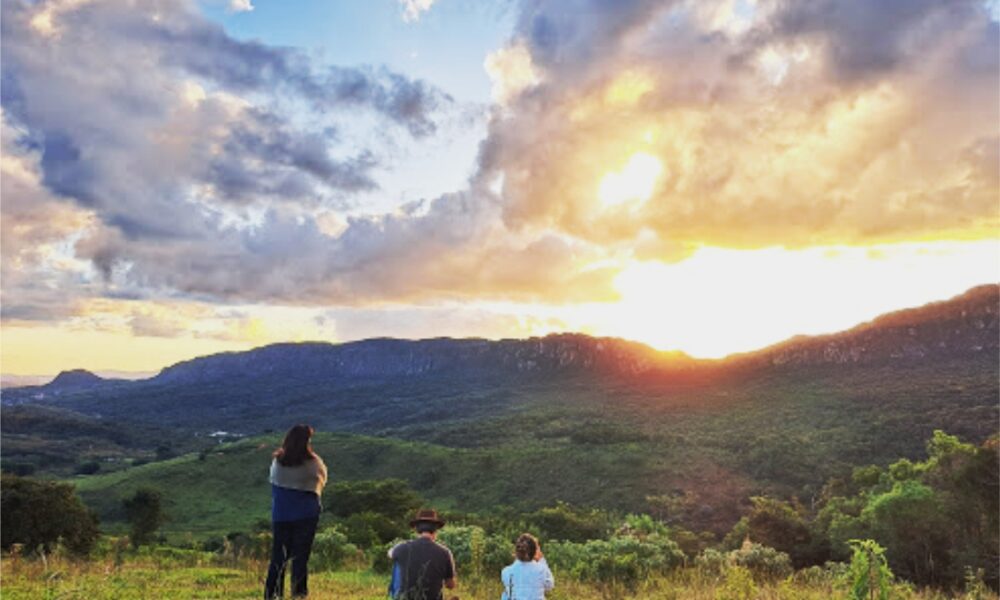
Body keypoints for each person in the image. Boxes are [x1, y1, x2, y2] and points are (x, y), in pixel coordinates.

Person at [264, 424, 328, 599]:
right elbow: (322, 478)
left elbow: (274, 482)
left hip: (281, 515)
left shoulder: (278, 461)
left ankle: (272, 595)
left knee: (278, 559)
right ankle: (299, 594)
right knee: (300, 559)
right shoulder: (312, 462)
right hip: (306, 515)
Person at [388, 508, 457, 600]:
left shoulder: (403, 547)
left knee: (397, 563)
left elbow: (390, 554)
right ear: (435, 530)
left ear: (416, 529)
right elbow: (450, 585)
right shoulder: (445, 552)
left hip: (406, 597)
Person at [500, 533, 554, 600]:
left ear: (516, 551)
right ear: (535, 551)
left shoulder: (506, 572)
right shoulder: (542, 570)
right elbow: (550, 586)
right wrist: (541, 558)